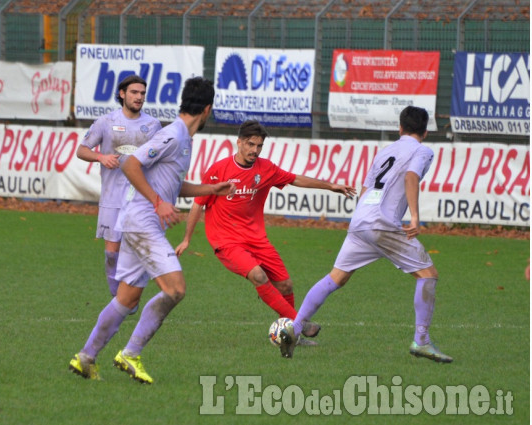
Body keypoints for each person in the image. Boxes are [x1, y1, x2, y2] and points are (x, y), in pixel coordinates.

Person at [69, 77, 235, 384]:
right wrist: (158, 202)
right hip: (143, 223)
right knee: (176, 289)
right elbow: (130, 163)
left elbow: (171, 185)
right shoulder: (173, 135)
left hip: (138, 222)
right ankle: (130, 354)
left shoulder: (182, 137)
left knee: (127, 300)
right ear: (207, 109)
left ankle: (85, 358)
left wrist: (211, 188)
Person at [279, 106, 452, 363]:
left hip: (361, 220)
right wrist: (414, 216)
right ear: (425, 132)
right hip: (382, 223)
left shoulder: (385, 152)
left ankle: (294, 327)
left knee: (336, 277)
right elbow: (412, 176)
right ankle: (422, 341)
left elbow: (365, 188)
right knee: (428, 275)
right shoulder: (422, 150)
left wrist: (363, 220)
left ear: (400, 129)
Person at [175, 120, 356, 345]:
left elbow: (295, 179)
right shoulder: (219, 170)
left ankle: (291, 335)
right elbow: (198, 204)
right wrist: (186, 239)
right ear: (239, 142)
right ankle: (299, 324)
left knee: (286, 285)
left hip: (256, 239)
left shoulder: (265, 168)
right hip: (226, 241)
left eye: (259, 146)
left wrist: (331, 186)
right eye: (250, 144)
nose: (254, 150)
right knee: (258, 275)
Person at [76, 75, 162, 305]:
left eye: (142, 93)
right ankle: (117, 296)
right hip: (112, 198)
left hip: (140, 199)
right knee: (112, 253)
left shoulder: (152, 125)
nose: (139, 97)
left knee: (138, 250)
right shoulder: (106, 122)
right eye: (134, 92)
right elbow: (82, 150)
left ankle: (128, 298)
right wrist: (101, 156)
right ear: (122, 94)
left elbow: (159, 158)